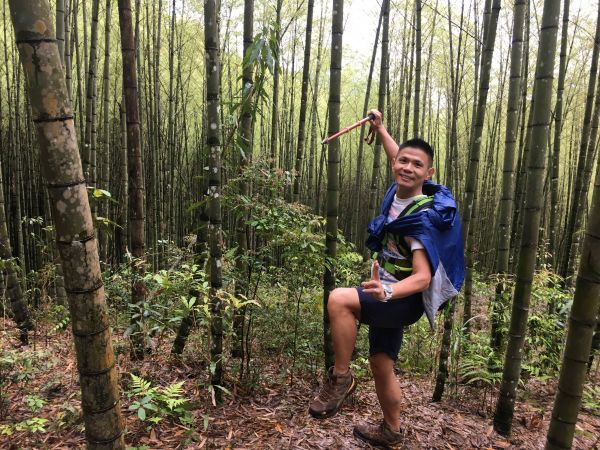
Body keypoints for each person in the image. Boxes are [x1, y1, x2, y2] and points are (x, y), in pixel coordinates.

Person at [308, 109, 465, 448]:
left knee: (338, 299)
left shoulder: (420, 220)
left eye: (416, 165)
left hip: (401, 298)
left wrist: (388, 293)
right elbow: (399, 155)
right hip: (388, 288)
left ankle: (340, 378)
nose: (407, 167)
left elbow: (423, 277)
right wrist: (381, 130)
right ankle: (392, 431)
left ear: (429, 173)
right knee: (381, 363)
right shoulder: (400, 188)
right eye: (403, 161)